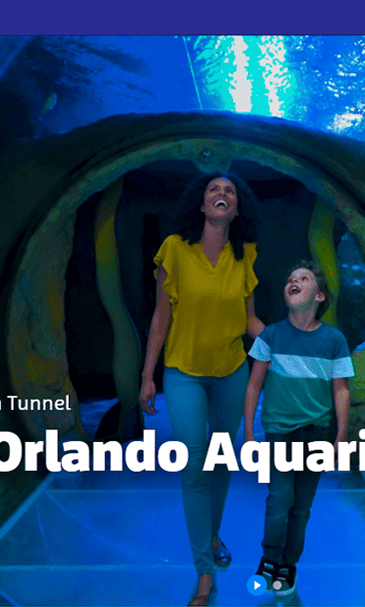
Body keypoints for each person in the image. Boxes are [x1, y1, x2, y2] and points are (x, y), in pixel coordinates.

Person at [140, 172, 265, 607]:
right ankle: (204, 576)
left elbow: (250, 321)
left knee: (221, 460)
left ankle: (212, 533)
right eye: (214, 189)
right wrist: (147, 376)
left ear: (236, 207)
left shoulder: (244, 253)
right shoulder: (174, 249)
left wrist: (288, 344)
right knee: (194, 467)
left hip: (231, 371)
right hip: (183, 372)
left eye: (230, 190)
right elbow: (160, 318)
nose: (222, 193)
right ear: (200, 203)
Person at [243, 260, 351, 596]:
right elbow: (253, 386)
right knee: (278, 501)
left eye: (303, 279)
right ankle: (269, 558)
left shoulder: (334, 340)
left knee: (301, 506)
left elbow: (341, 389)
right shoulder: (271, 335)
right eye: (291, 279)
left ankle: (290, 564)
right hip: (278, 433)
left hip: (316, 434)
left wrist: (340, 437)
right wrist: (248, 433)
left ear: (318, 296)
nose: (295, 282)